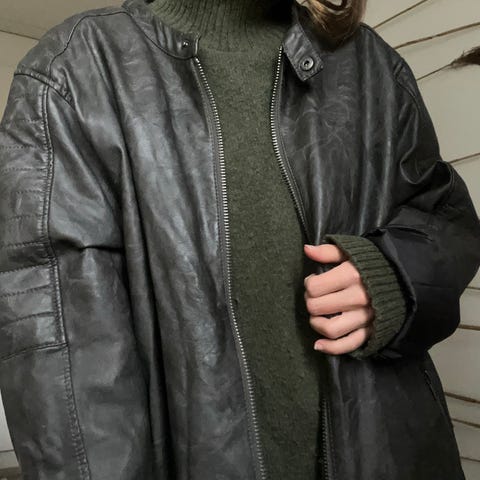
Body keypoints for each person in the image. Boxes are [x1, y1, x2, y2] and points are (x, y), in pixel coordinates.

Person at [0, 0, 478, 479]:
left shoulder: (370, 65)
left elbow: (445, 215)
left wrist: (393, 274)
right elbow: (70, 377)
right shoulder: (76, 70)